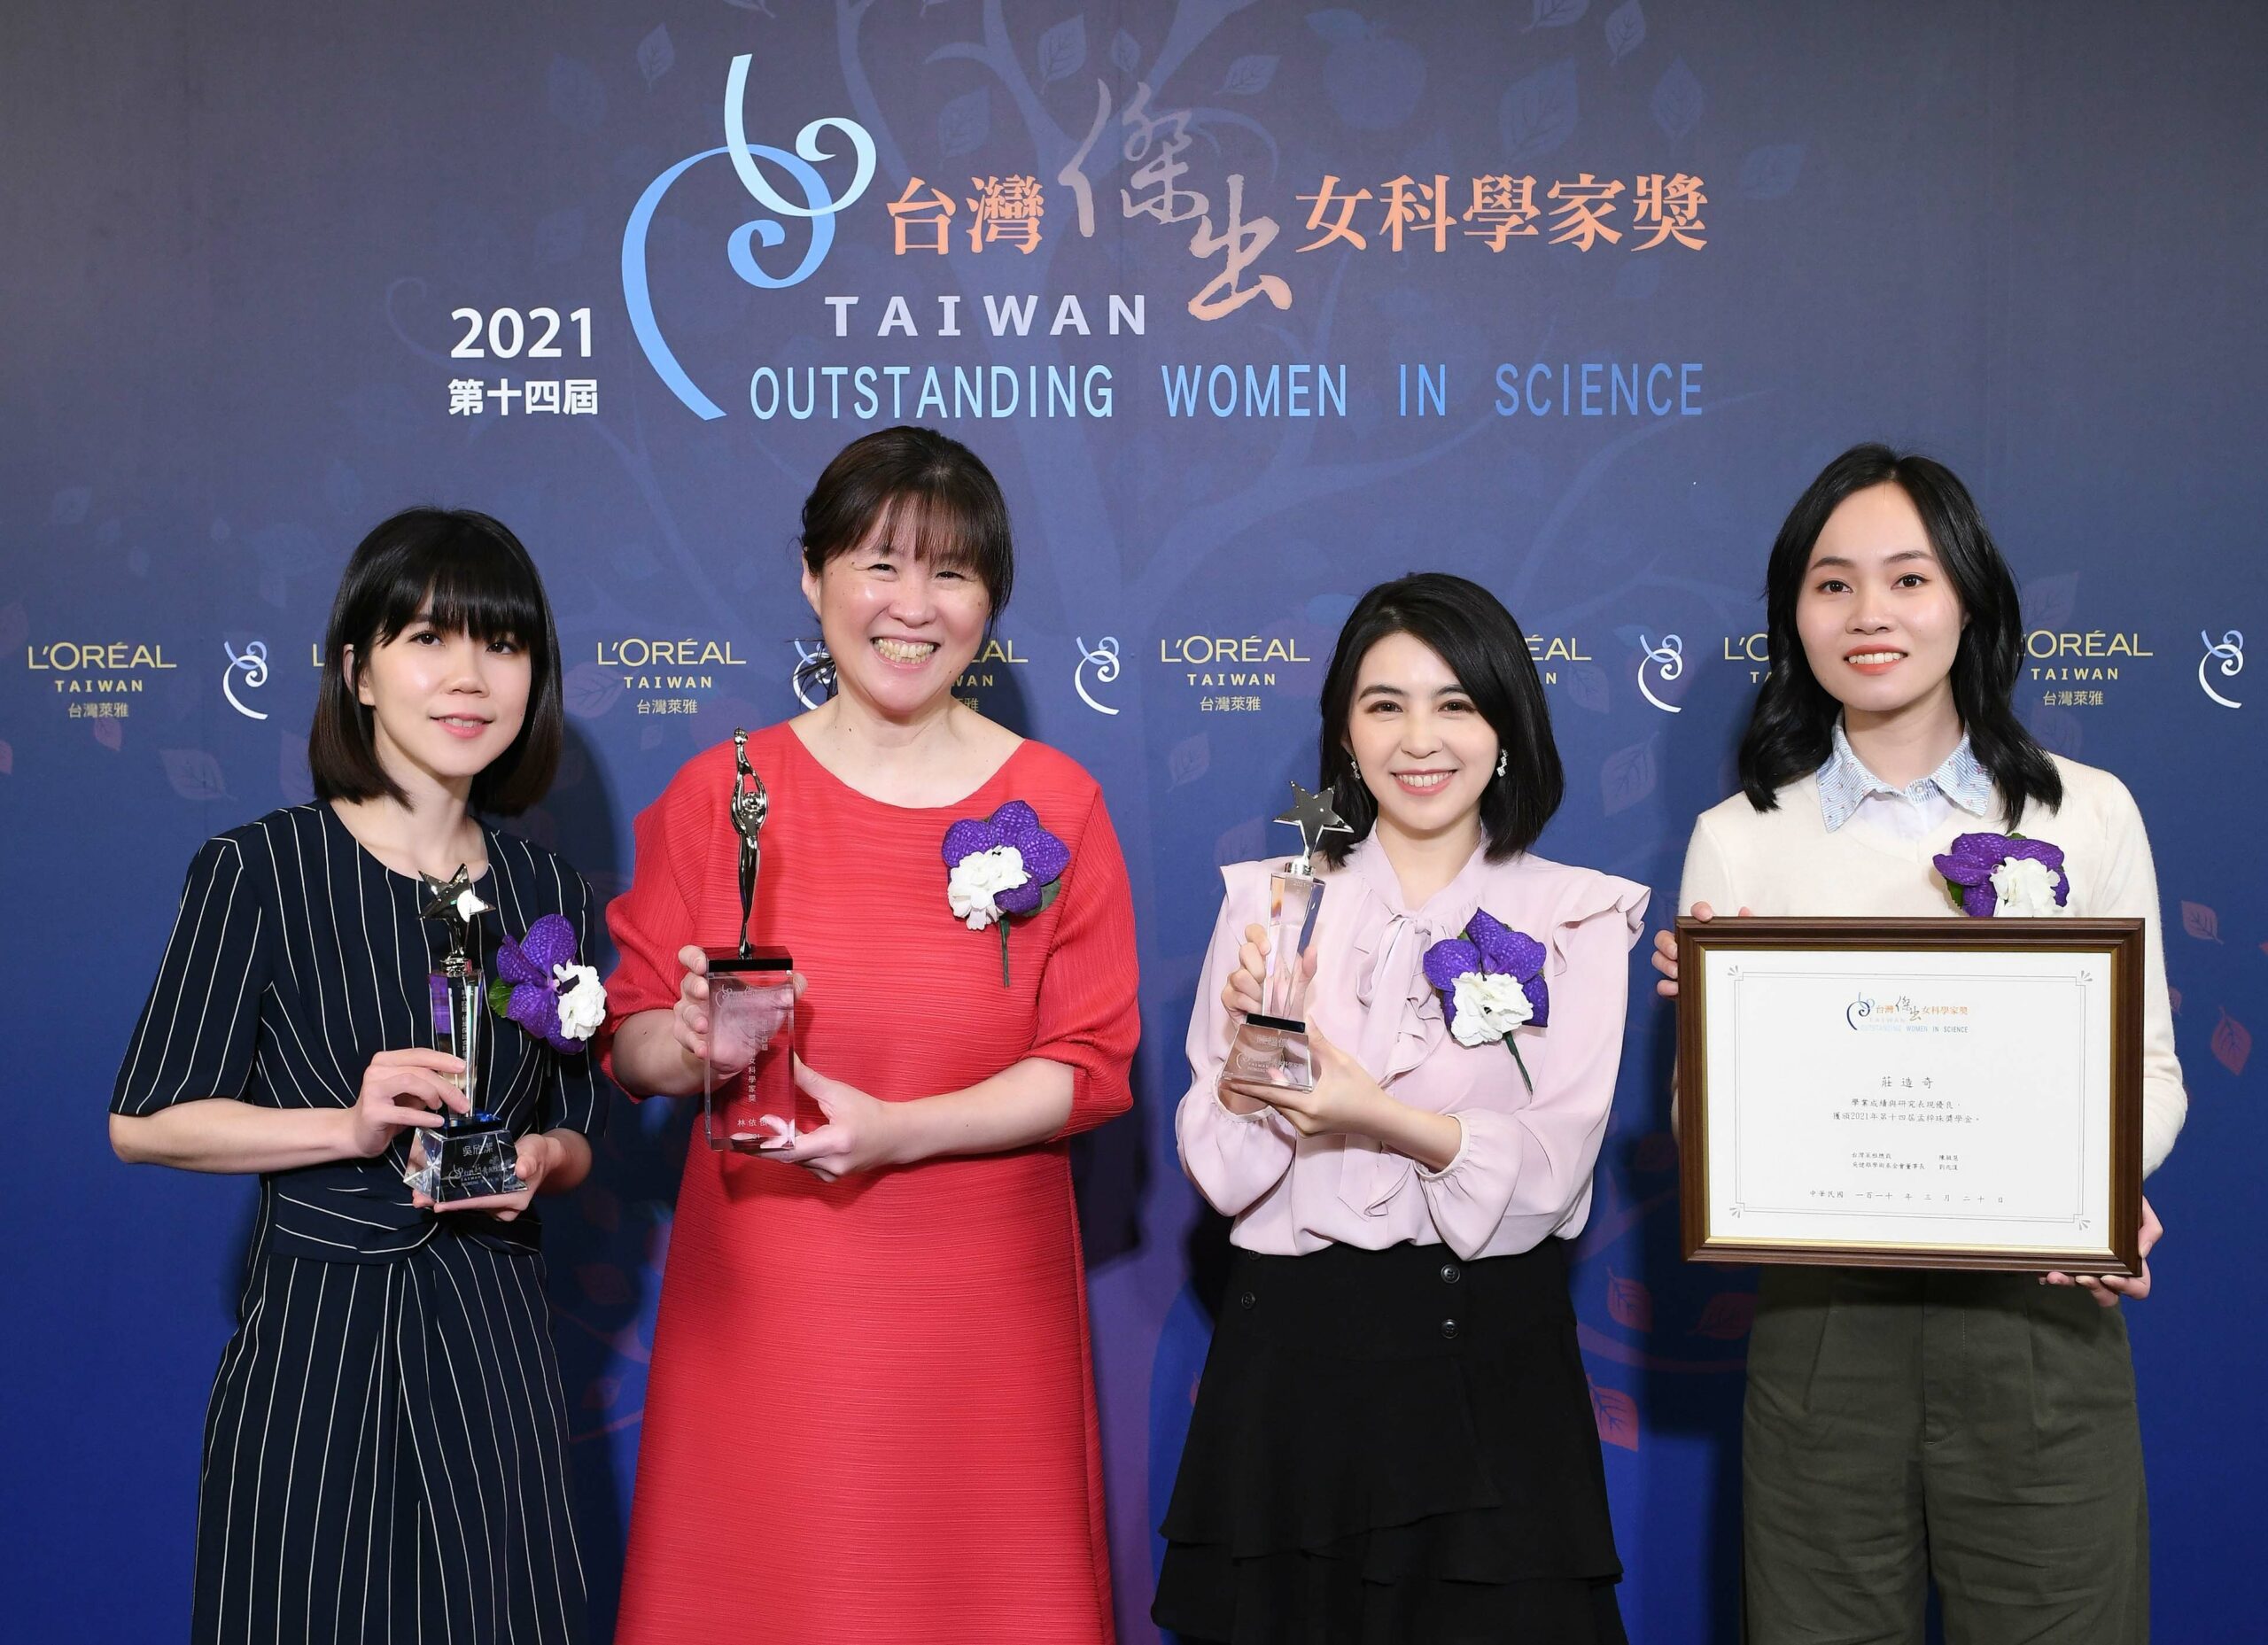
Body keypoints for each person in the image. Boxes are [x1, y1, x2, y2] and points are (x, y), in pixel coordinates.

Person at [599, 426, 1139, 1643]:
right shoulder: (723, 790)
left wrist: (898, 1130)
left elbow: (1091, 1066)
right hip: (767, 1302)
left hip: (980, 1311)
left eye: (951, 572)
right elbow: (630, 1039)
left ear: (989, 603)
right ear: (813, 577)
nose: (913, 606)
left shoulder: (1057, 802)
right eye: (878, 564)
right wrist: (686, 1044)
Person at [1651, 444, 2182, 1643]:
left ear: (1969, 600)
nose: (1869, 614)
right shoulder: (1740, 838)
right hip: (1825, 1332)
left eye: (1908, 578)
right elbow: (1698, 1130)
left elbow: (2147, 1070)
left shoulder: (2085, 811)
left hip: (2040, 1322)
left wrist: (2099, 1181)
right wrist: (1728, 1038)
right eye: (1832, 584)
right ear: (1795, 613)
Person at [110, 508, 608, 1644]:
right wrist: (349, 1125)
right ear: (358, 671)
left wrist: (543, 1156)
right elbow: (145, 1122)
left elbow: (579, 1130)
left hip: (495, 1342)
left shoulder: (547, 890)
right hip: (318, 1345)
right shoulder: (260, 868)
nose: (470, 676)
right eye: (429, 638)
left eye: (502, 644)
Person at [1155, 572, 1646, 1642]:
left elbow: (1551, 1177)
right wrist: (1255, 1066)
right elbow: (1224, 1172)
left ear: (1504, 725)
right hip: (1288, 1370)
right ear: (1345, 732)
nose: (1419, 740)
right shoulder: (1272, 903)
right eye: (1385, 705)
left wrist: (1367, 1111)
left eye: (1455, 703)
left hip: (1490, 1365)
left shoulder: (1577, 914)